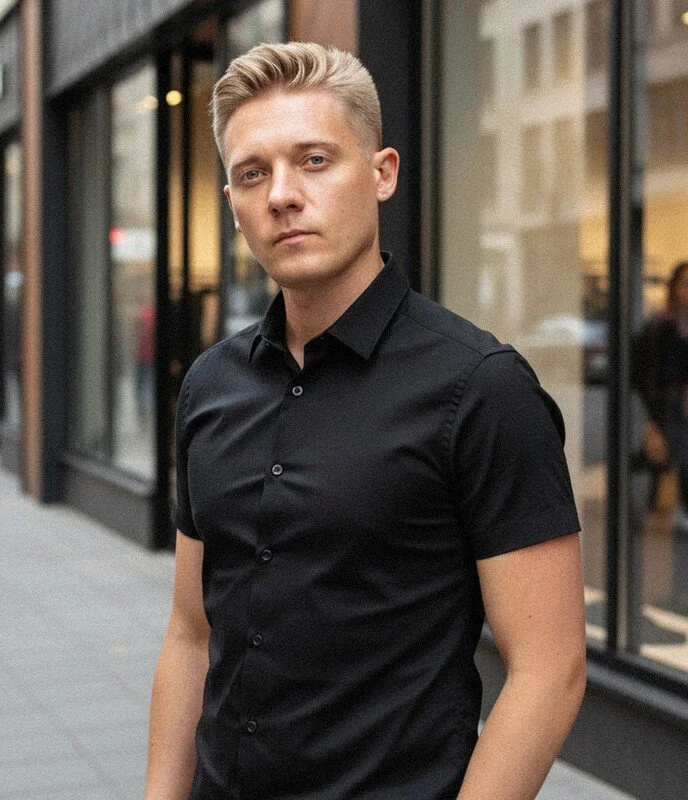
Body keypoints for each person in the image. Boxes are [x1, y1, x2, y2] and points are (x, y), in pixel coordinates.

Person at [145, 42, 586, 800]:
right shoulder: (209, 386)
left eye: (314, 160)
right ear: (233, 204)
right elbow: (191, 630)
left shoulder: (481, 390)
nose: (282, 193)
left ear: (382, 173)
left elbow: (550, 670)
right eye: (254, 172)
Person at [632, 261, 688, 610]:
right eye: (684, 284)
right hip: (672, 423)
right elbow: (644, 377)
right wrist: (653, 425)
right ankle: (671, 593)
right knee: (669, 509)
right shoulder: (660, 327)